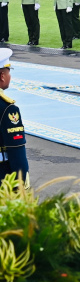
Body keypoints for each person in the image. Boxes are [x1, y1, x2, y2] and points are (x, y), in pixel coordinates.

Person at [0, 49, 28, 184]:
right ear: (2, 76)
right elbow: (16, 151)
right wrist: (21, 184)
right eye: (8, 71)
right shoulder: (8, 109)